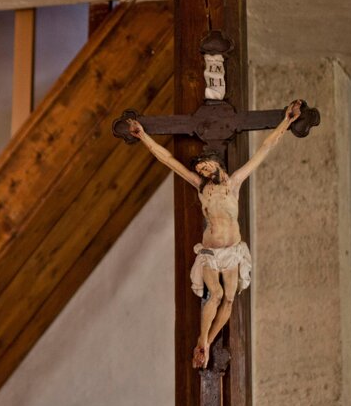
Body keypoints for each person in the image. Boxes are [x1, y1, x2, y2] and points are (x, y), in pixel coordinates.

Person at [127, 99, 303, 368]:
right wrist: (143, 137)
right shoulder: (200, 187)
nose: (203, 172)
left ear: (215, 164)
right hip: (210, 252)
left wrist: (287, 121)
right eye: (200, 171)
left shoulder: (234, 184)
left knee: (229, 296)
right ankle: (203, 340)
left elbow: (265, 148)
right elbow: (169, 161)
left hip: (231, 252)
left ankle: (206, 342)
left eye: (205, 168)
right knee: (215, 294)